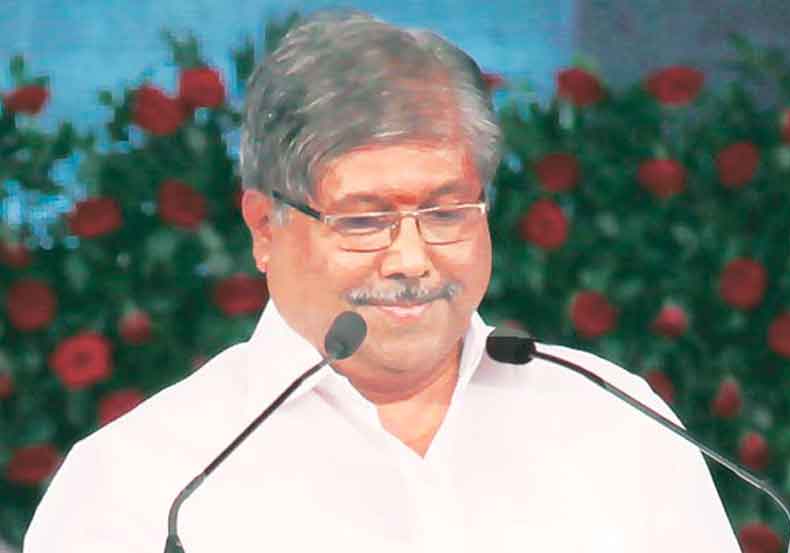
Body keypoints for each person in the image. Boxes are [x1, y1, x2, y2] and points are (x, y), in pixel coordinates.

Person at [24, 10, 741, 552]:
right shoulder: (143, 481)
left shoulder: (616, 422)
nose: (410, 260)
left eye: (446, 212)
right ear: (265, 227)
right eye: (364, 221)